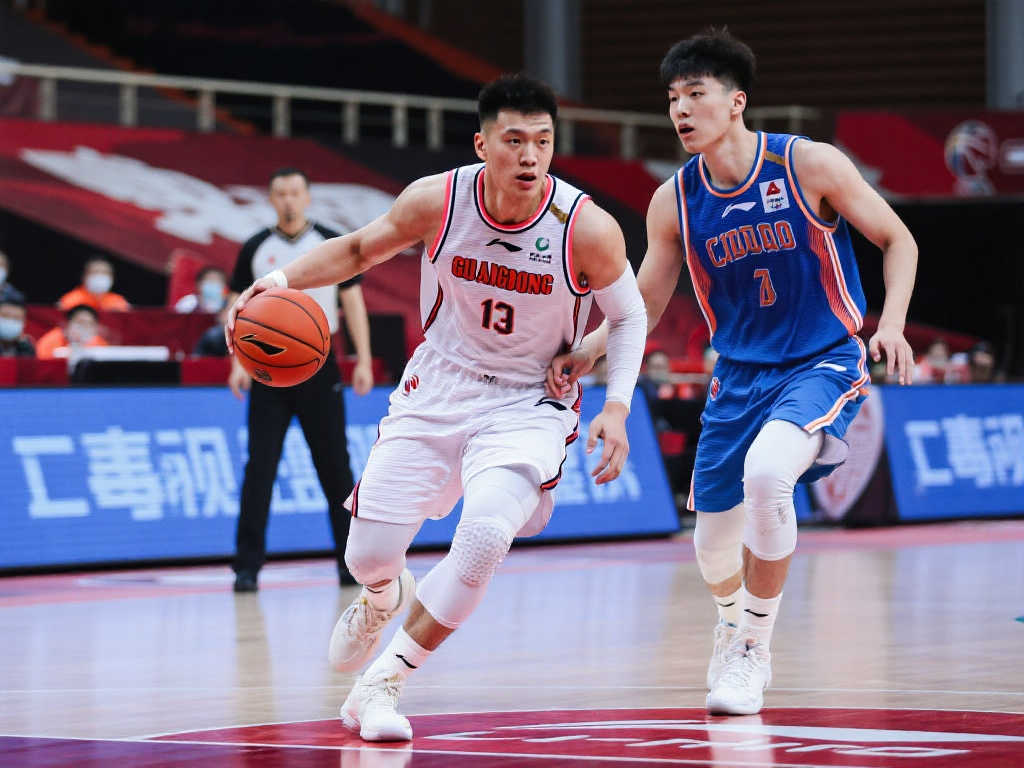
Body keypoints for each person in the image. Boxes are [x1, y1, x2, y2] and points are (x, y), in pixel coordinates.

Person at [226, 74, 647, 742]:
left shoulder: (585, 227)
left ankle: (384, 682)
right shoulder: (439, 200)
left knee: (483, 538)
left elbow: (628, 316)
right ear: (482, 145)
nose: (530, 156)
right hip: (441, 384)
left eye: (543, 141)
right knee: (367, 556)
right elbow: (358, 250)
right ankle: (382, 593)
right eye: (514, 140)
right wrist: (273, 282)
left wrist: (616, 404)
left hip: (527, 399)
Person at [547, 30, 917, 716]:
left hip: (820, 361)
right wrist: (589, 351)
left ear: (737, 101)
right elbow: (645, 301)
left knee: (769, 476)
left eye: (696, 94)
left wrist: (890, 323)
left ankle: (752, 647)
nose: (681, 110)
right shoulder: (674, 200)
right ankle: (732, 623)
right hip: (738, 376)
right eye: (672, 99)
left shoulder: (808, 165)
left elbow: (899, 238)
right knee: (714, 548)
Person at [227, 167, 374, 593]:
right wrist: (237, 362)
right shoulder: (255, 247)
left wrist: (363, 359)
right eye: (281, 193)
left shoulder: (329, 242)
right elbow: (236, 307)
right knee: (260, 468)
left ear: (307, 197)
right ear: (272, 199)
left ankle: (350, 564)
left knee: (335, 467)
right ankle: (246, 567)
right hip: (268, 369)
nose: (288, 200)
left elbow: (353, 302)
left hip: (319, 364)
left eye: (295, 192)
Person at [36, 303, 108, 359]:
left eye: (90, 324)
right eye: (80, 322)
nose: (84, 327)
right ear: (68, 324)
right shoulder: (52, 340)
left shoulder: (99, 343)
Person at [58, 257, 130, 312]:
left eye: (105, 273)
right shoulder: (71, 300)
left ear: (112, 278)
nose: (100, 276)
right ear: (84, 276)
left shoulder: (118, 302)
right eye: (95, 272)